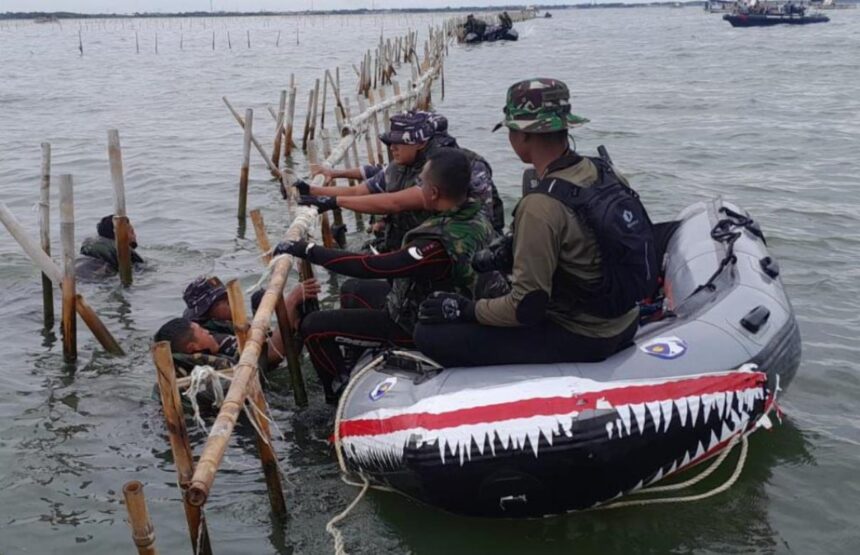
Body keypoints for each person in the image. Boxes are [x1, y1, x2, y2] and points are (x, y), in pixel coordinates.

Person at [414, 78, 658, 368]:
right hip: (624, 321)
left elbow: (526, 308)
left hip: (584, 336)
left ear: (524, 135)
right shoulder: (605, 171)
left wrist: (464, 310)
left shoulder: (540, 206)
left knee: (428, 333)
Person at [273, 148, 494, 403]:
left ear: (433, 193)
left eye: (421, 182)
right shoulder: (475, 214)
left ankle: (336, 398)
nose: (417, 186)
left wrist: (307, 250)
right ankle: (353, 363)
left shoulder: (439, 244)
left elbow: (373, 266)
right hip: (417, 301)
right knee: (352, 290)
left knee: (312, 327)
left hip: (419, 324)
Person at [294, 110, 503, 252]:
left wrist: (333, 202)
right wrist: (313, 190)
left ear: (421, 143)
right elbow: (361, 190)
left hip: (454, 247)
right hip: (410, 243)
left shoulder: (443, 167)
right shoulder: (400, 165)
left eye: (398, 143)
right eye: (390, 143)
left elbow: (396, 201)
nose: (392, 148)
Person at [182, 275, 320, 336]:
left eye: (229, 297)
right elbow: (273, 356)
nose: (231, 302)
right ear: (205, 312)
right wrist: (291, 301)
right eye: (223, 302)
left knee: (259, 297)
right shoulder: (215, 336)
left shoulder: (223, 323)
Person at [75, 214, 144, 280]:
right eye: (131, 232)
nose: (135, 236)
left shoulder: (86, 258)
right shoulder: (106, 268)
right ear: (118, 235)